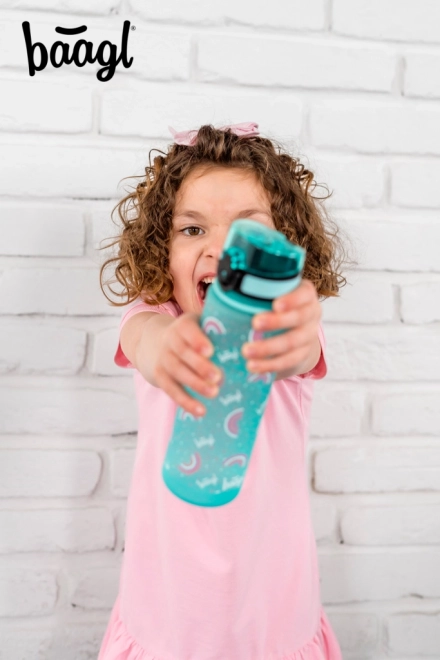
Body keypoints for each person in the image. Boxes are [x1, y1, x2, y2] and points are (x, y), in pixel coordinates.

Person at [97, 122, 354, 659]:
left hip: (271, 608)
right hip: (167, 609)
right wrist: (169, 346)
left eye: (246, 232)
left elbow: (301, 348)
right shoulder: (153, 318)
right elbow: (145, 341)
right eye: (192, 229)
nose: (219, 249)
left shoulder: (284, 334)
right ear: (162, 250)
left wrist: (291, 328)